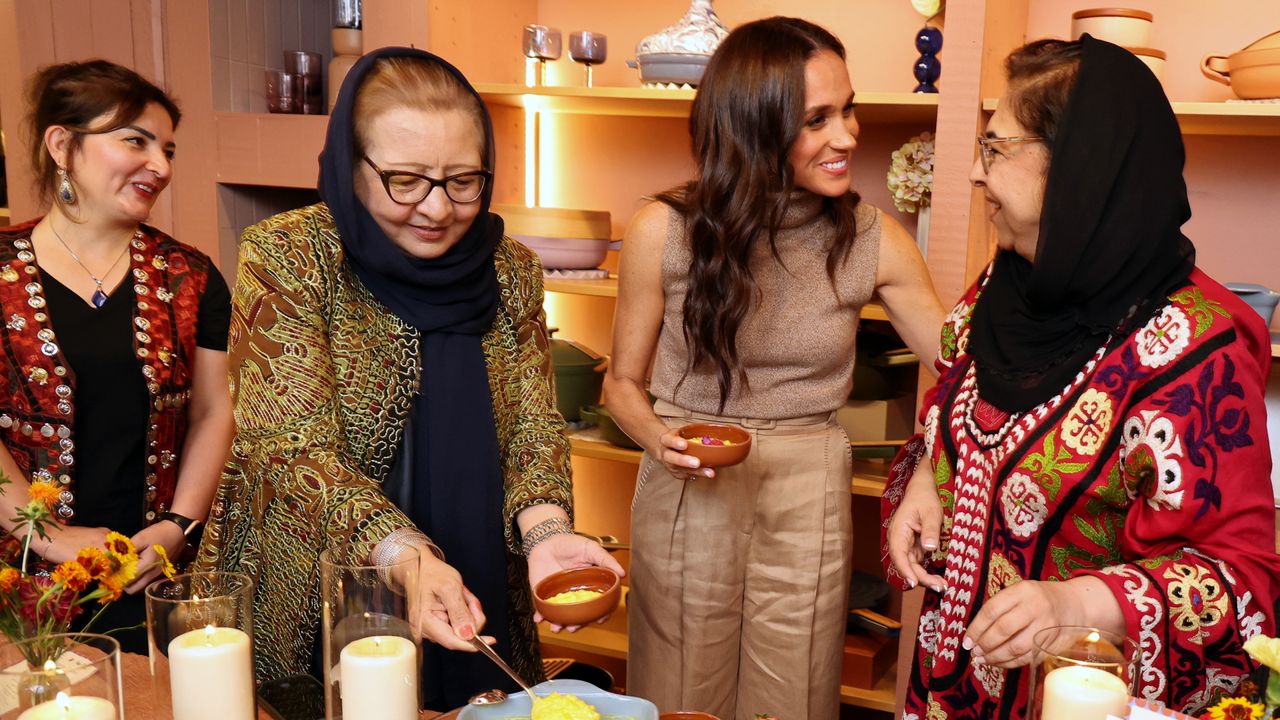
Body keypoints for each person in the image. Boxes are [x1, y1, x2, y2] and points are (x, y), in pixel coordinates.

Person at [193, 47, 622, 709]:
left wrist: (546, 532)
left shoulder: (510, 269)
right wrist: (405, 558)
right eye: (405, 180)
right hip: (324, 580)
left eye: (463, 181)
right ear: (351, 164)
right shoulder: (291, 255)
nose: (437, 208)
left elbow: (536, 428)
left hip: (476, 562)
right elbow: (292, 447)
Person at [884, 36, 1279, 719]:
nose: (979, 175)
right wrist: (926, 477)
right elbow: (951, 400)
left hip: (1074, 694)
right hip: (950, 684)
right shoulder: (1003, 287)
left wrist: (1075, 604)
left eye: (997, 148)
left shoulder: (1194, 349)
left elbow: (1240, 581)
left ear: (1078, 165)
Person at [605, 17, 946, 720]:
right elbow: (620, 385)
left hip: (809, 480)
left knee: (795, 694)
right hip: (688, 473)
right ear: (753, 127)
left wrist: (931, 474)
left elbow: (961, 370)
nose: (849, 135)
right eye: (817, 119)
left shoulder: (872, 238)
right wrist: (657, 439)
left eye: (847, 109)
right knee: (677, 692)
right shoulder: (662, 230)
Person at [0, 59, 233, 652]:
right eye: (135, 140)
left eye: (168, 149)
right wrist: (50, 537)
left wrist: (177, 528)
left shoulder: (191, 275)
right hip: (15, 581)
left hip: (147, 574)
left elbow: (212, 413)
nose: (160, 166)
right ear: (62, 144)